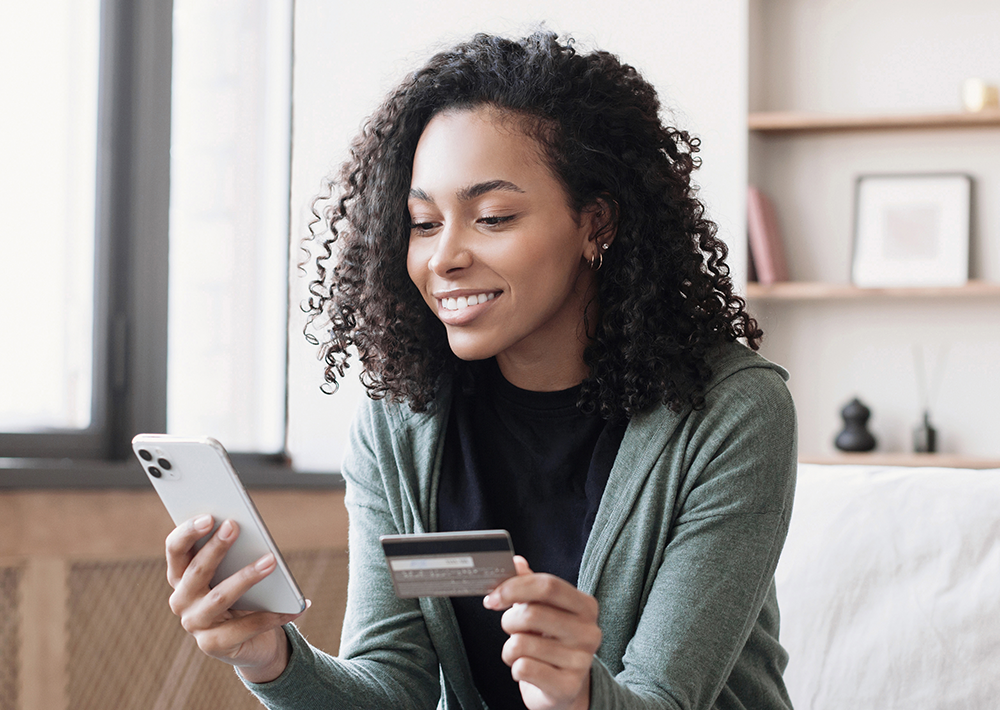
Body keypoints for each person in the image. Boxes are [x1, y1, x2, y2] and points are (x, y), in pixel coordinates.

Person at [164, 31, 797, 710]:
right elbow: (392, 683)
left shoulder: (732, 410)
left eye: (492, 216)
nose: (444, 258)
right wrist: (273, 660)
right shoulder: (400, 417)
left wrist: (573, 695)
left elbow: (667, 698)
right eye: (424, 222)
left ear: (598, 222)